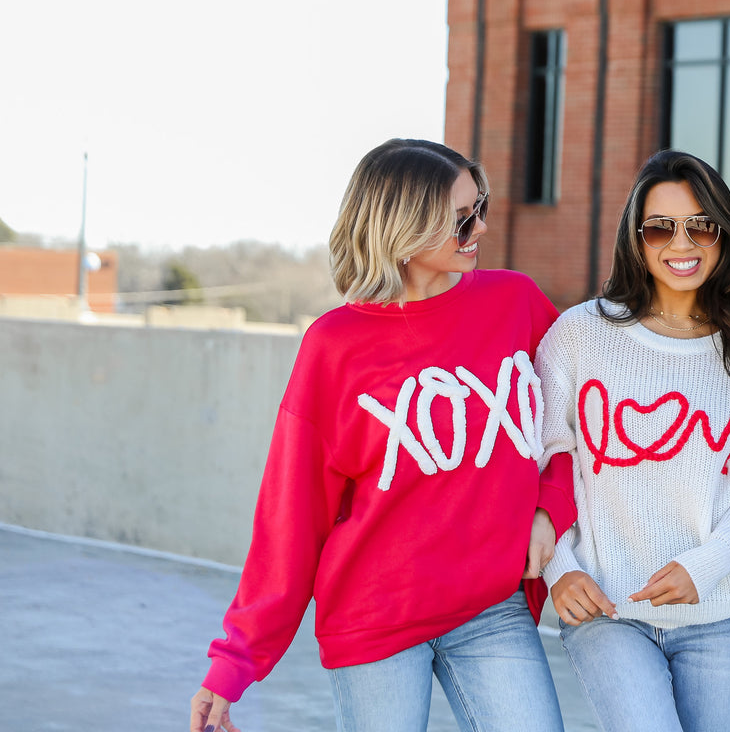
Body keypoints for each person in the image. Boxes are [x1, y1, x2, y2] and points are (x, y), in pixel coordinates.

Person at [188, 138, 574, 732]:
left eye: (480, 208)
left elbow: (573, 422)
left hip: (491, 607)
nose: (480, 227)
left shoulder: (515, 302)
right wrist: (233, 664)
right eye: (461, 218)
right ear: (404, 224)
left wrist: (549, 509)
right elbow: (291, 519)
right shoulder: (334, 345)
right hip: (376, 618)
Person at [533, 150, 730, 732]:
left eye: (701, 226)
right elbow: (546, 460)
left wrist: (705, 566)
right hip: (605, 608)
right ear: (635, 237)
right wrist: (559, 568)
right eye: (660, 228)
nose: (682, 244)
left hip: (721, 612)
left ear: (723, 234)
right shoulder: (581, 335)